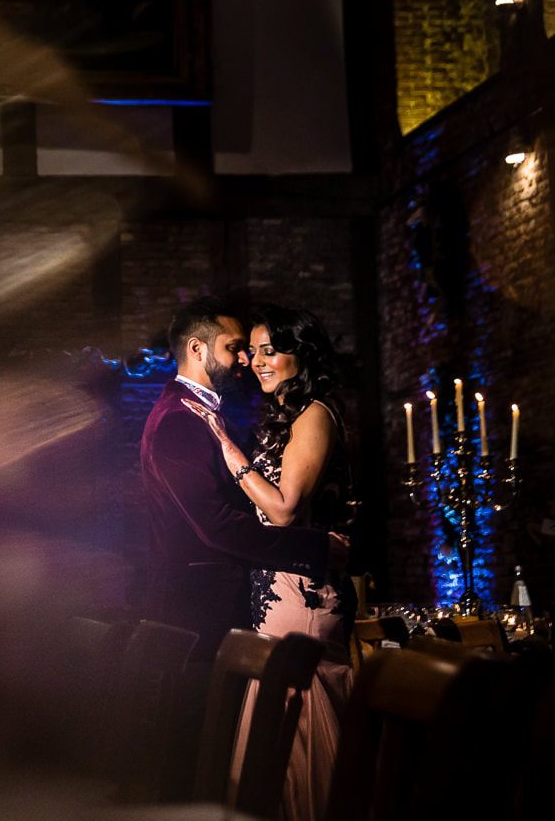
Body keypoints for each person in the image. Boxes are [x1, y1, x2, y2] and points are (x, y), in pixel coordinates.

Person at [183, 304, 356, 821]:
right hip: (271, 593)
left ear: (301, 355)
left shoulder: (316, 415)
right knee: (270, 743)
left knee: (299, 732)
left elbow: (281, 509)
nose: (257, 361)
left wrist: (225, 446)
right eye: (252, 351)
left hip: (302, 594)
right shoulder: (282, 416)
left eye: (270, 350)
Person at [140, 298, 347, 655]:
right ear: (196, 348)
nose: (244, 361)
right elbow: (216, 525)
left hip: (237, 602)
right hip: (201, 611)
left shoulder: (213, 416)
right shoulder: (179, 419)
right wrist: (314, 547)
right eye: (235, 349)